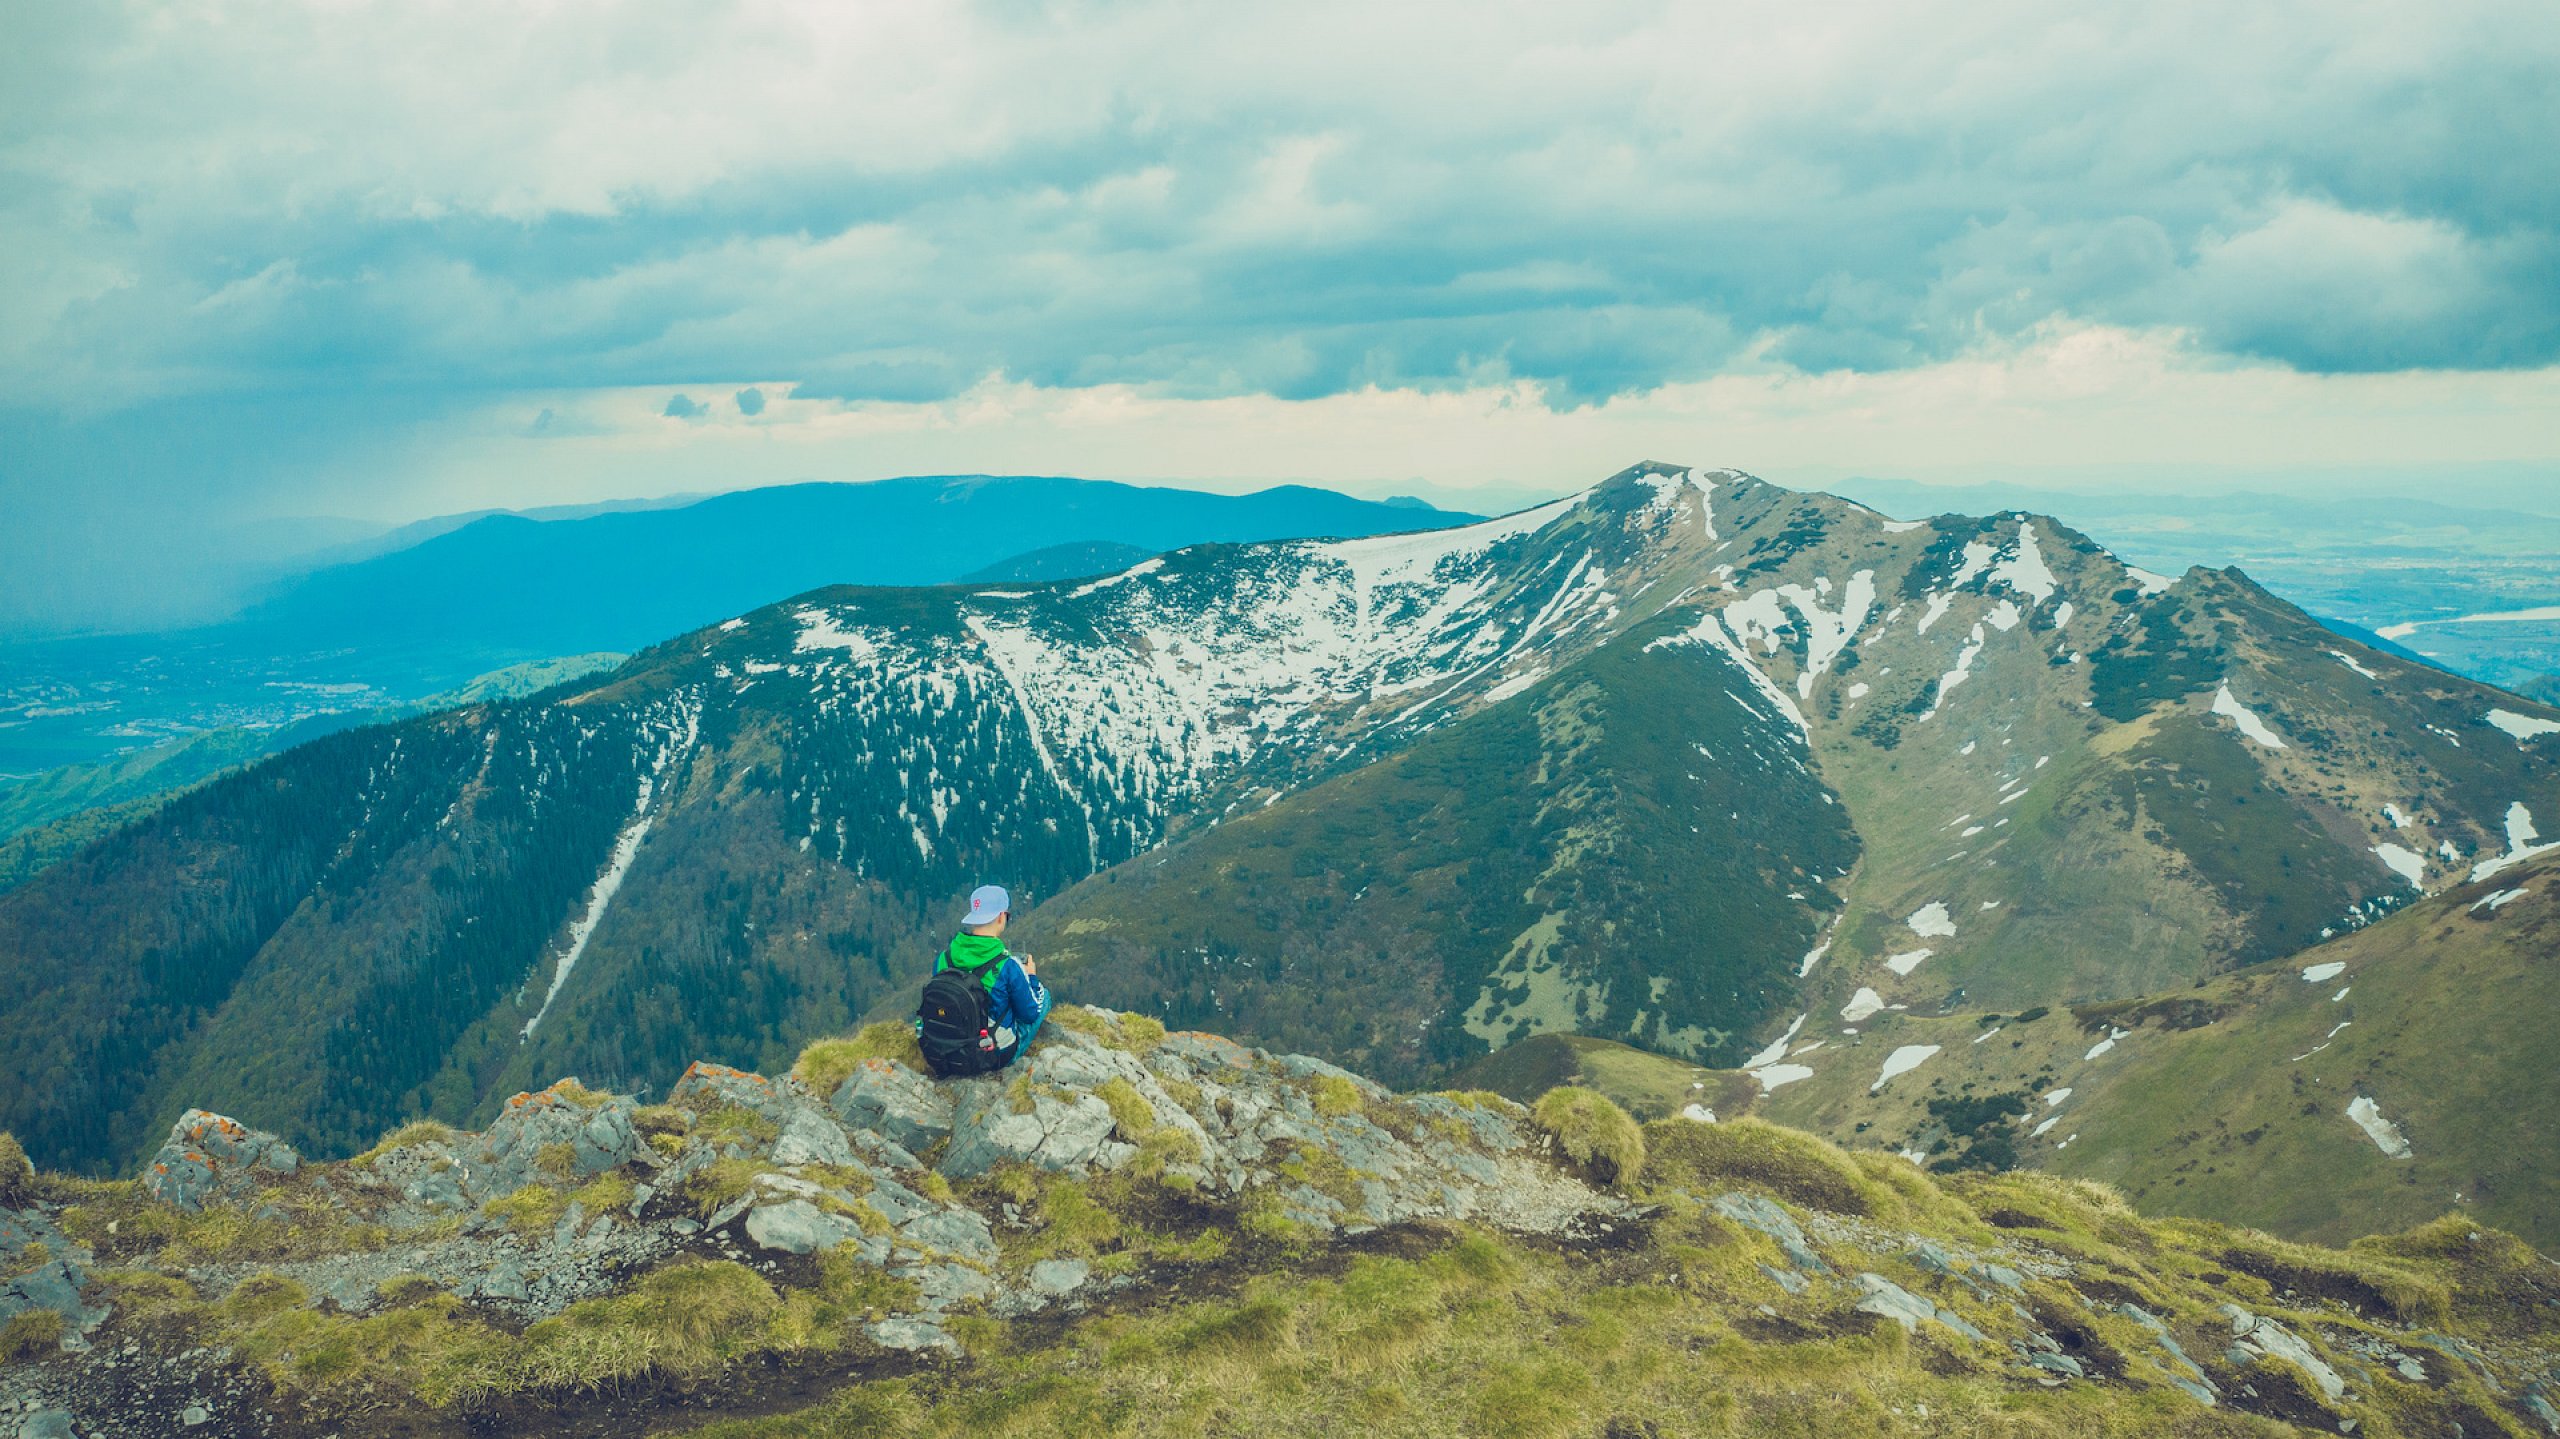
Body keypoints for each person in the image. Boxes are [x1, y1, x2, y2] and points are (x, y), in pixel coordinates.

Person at [913, 883, 1053, 1076]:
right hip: (991, 1055)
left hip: (943, 1049)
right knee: (1044, 997)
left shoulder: (944, 958)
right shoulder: (1008, 965)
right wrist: (1031, 977)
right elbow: (1029, 1014)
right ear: (1001, 917)